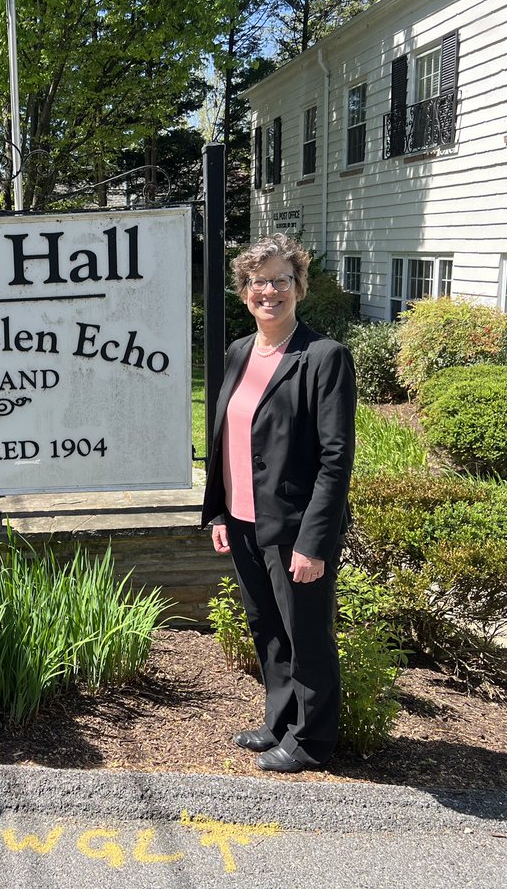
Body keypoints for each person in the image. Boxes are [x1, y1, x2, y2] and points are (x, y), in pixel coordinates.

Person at [200, 233, 356, 774]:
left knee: (306, 634)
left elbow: (336, 459)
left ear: (298, 287)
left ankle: (312, 741)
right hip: (243, 519)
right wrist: (220, 509)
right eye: (259, 281)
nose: (270, 290)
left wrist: (315, 542)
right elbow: (227, 436)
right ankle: (279, 720)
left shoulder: (324, 357)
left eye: (281, 280)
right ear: (245, 292)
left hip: (294, 529)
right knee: (267, 627)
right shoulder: (240, 352)